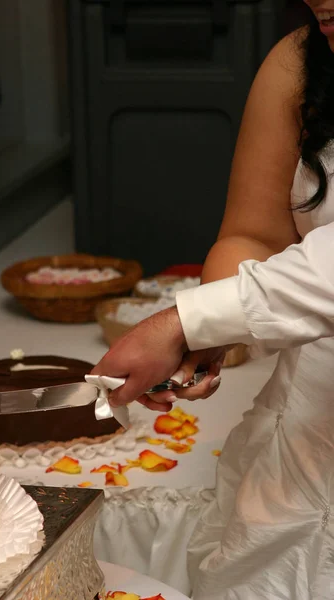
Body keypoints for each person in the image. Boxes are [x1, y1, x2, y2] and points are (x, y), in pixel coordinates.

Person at [91, 2, 334, 598]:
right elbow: (252, 234)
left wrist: (187, 322)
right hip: (305, 429)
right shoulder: (302, 60)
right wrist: (212, 331)